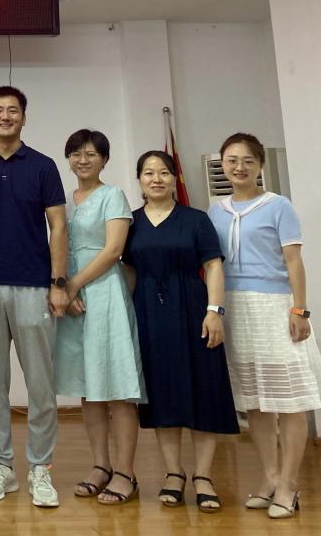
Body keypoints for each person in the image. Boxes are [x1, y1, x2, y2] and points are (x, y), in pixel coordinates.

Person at [206, 133, 321, 519]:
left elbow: (293, 261)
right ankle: (270, 478)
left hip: (276, 308)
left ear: (259, 165)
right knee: (256, 402)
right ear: (223, 164)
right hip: (235, 310)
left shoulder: (278, 205)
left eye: (247, 160)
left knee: (288, 403)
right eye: (231, 160)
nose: (239, 167)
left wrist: (300, 310)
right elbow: (213, 265)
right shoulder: (215, 212)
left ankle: (289, 486)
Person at [0, 87, 67, 508]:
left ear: (24, 117)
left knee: (41, 385)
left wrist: (58, 282)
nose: (5, 116)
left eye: (13, 110)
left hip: (34, 287)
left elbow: (58, 226)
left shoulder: (43, 166)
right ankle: (2, 465)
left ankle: (40, 467)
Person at [123, 150, 238, 512]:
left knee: (204, 389)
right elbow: (128, 270)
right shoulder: (131, 222)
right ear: (139, 180)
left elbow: (213, 266)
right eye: (148, 173)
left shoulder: (196, 219)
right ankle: (174, 473)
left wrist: (214, 311)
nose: (156, 179)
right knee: (163, 393)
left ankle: (203, 476)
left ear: (174, 178)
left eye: (163, 172)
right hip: (148, 313)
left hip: (193, 310)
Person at [53, 129, 144, 505]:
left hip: (104, 293)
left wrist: (73, 285)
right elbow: (56, 243)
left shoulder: (113, 195)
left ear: (104, 159)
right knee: (88, 386)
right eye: (76, 153)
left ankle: (125, 472)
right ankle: (100, 465)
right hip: (71, 296)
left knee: (117, 387)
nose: (83, 160)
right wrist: (62, 288)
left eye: (91, 154)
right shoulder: (63, 201)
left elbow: (113, 250)